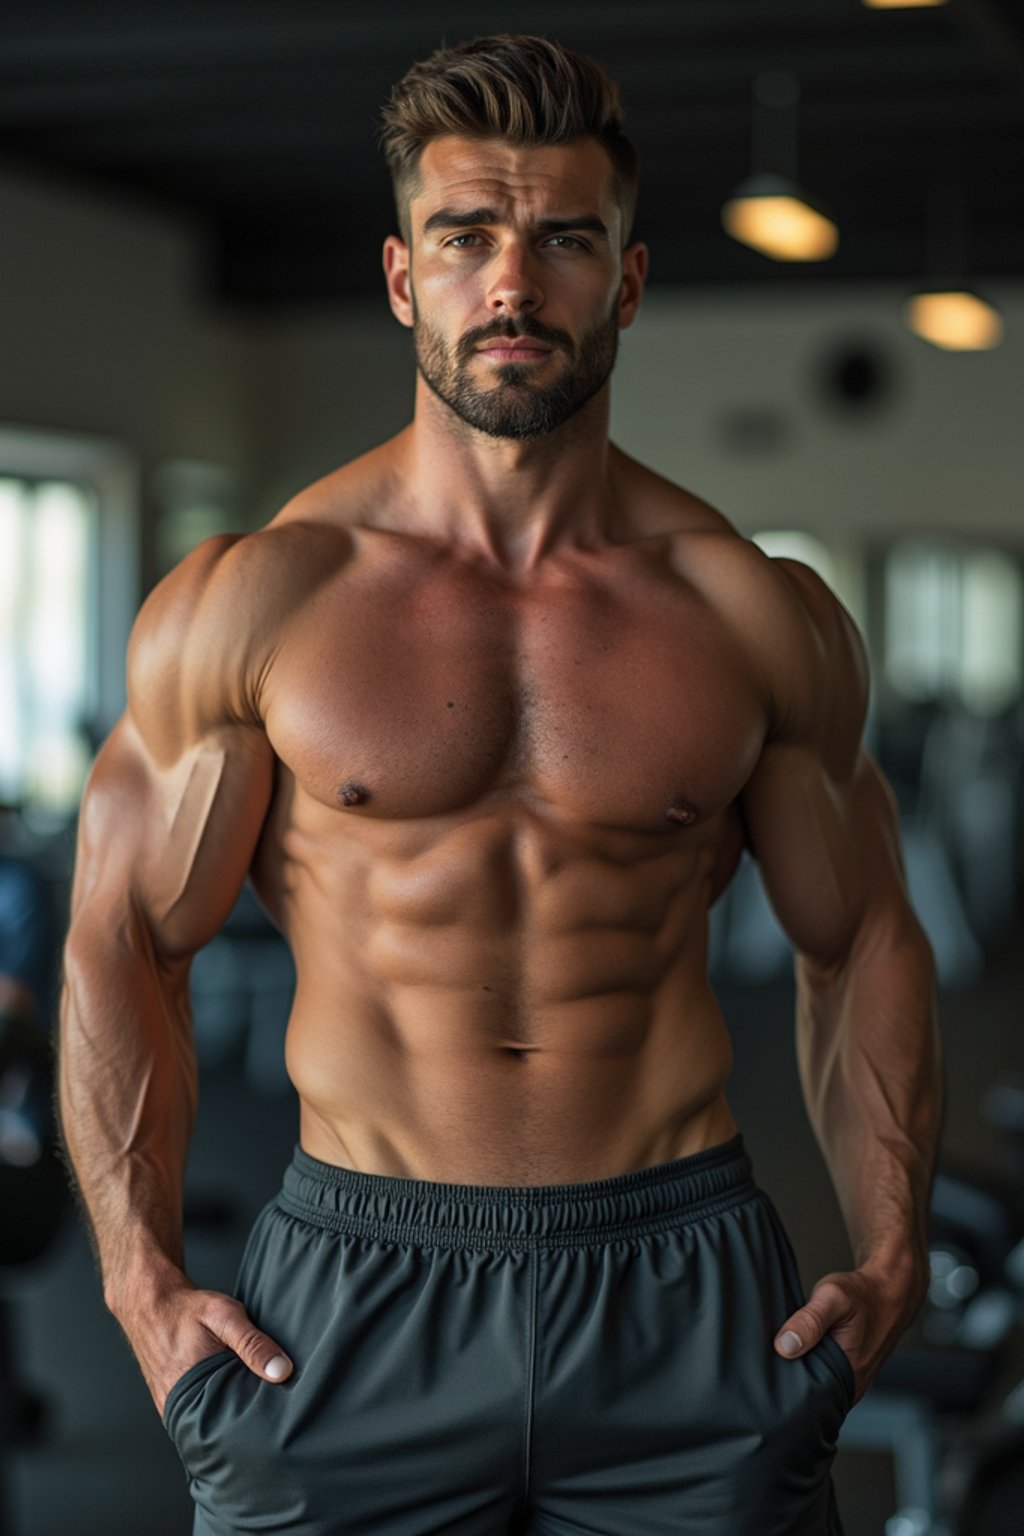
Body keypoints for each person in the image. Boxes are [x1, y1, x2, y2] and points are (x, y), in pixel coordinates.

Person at [56, 33, 943, 1536]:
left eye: (562, 241)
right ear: (407, 279)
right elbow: (121, 934)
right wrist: (139, 1283)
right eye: (467, 239)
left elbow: (858, 935)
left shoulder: (749, 613)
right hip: (350, 1290)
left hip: (681, 1281)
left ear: (631, 280)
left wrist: (896, 1248)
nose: (513, 285)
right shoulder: (258, 599)